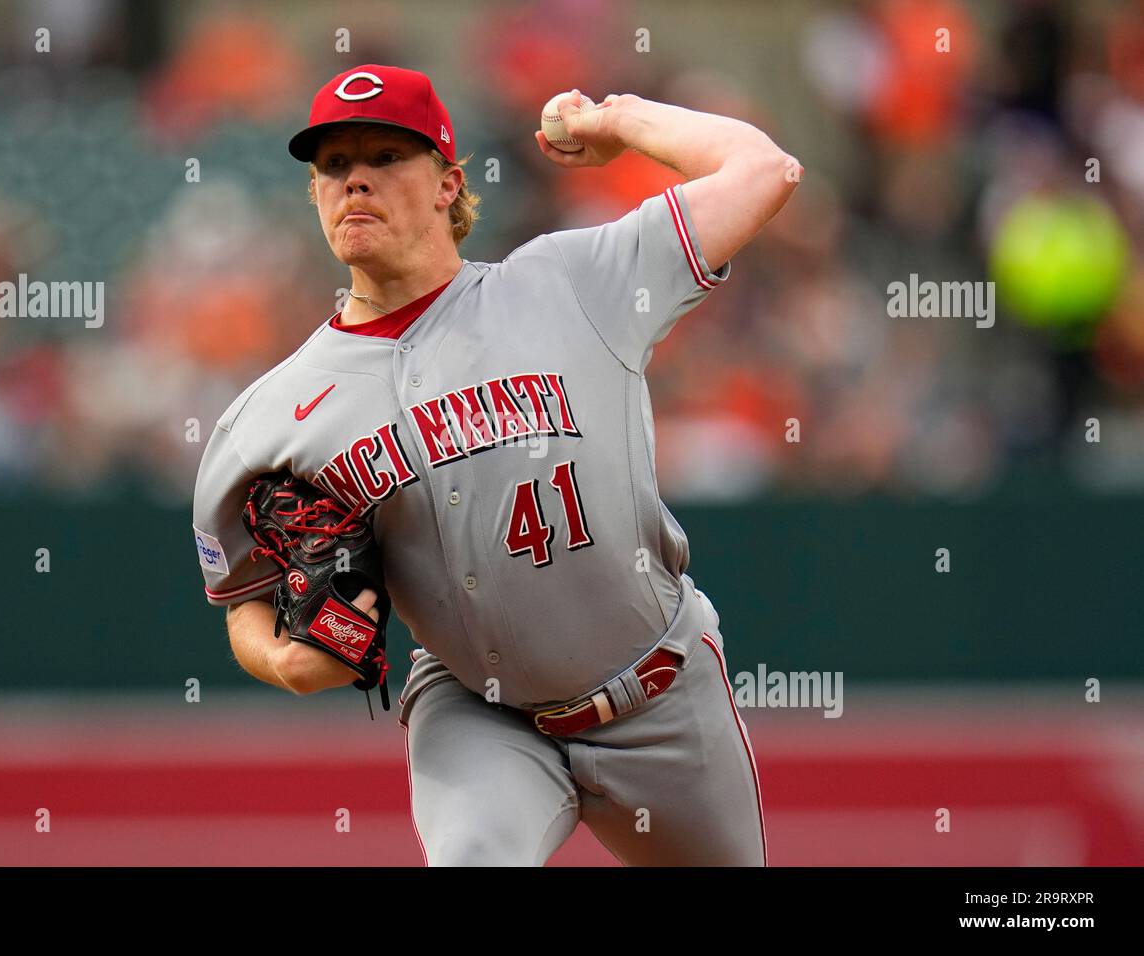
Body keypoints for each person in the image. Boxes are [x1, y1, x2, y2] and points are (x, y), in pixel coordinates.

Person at [192, 64, 801, 865]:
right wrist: (281, 658)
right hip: (479, 714)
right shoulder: (268, 417)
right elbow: (241, 594)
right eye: (334, 165)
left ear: (449, 184)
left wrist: (616, 121)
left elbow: (765, 170)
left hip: (663, 693)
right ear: (313, 195)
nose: (356, 180)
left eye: (385, 156)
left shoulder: (571, 284)